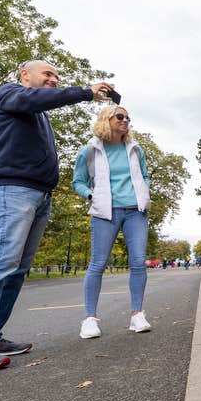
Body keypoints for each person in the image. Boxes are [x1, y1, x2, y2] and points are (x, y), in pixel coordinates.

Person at [0, 60, 113, 373]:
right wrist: (85, 92)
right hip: (13, 189)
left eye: (56, 76)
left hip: (37, 194)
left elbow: (40, 105)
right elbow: (36, 98)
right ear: (25, 75)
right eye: (47, 74)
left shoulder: (36, 111)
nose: (53, 79)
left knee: (17, 268)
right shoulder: (9, 94)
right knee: (1, 262)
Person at [73, 105, 151, 339]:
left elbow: (144, 176)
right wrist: (91, 195)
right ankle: (89, 319)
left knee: (138, 261)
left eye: (128, 117)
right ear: (106, 119)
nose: (125, 120)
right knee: (98, 263)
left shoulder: (136, 149)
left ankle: (137, 315)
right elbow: (78, 182)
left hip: (135, 212)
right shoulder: (90, 150)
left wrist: (145, 193)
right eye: (120, 116)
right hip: (106, 212)